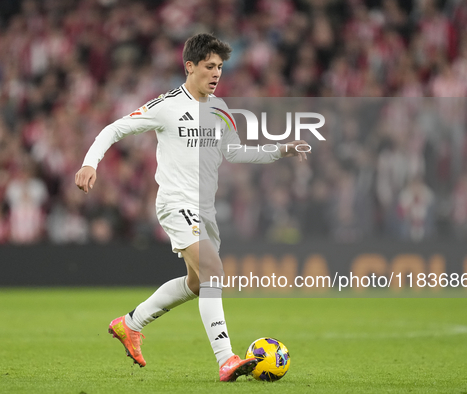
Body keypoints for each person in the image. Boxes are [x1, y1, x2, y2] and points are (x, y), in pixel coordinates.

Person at [75, 33, 308, 382]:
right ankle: (226, 359)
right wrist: (90, 162)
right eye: (209, 67)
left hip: (205, 209)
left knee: (199, 283)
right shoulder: (166, 105)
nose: (216, 74)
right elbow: (115, 128)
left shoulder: (220, 109)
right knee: (214, 271)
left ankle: (130, 323)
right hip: (176, 202)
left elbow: (234, 151)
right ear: (190, 67)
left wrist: (279, 150)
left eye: (220, 68)